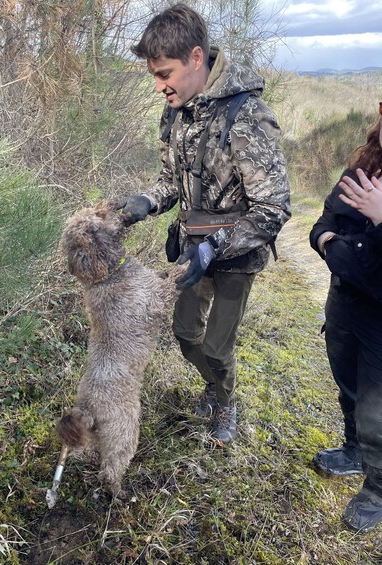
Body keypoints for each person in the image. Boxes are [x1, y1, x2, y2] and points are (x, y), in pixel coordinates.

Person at [118, 3, 290, 444]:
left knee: (216, 347)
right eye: (153, 75)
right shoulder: (176, 110)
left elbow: (272, 208)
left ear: (197, 58)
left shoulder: (248, 115)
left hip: (236, 254)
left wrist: (215, 245)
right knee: (185, 333)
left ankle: (226, 401)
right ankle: (214, 387)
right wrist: (145, 202)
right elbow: (169, 182)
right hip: (189, 247)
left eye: (165, 73)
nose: (158, 86)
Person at [309, 101, 382, 532]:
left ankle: (377, 488)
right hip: (345, 300)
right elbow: (323, 223)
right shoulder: (364, 164)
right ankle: (355, 452)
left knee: (377, 406)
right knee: (348, 384)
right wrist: (329, 242)